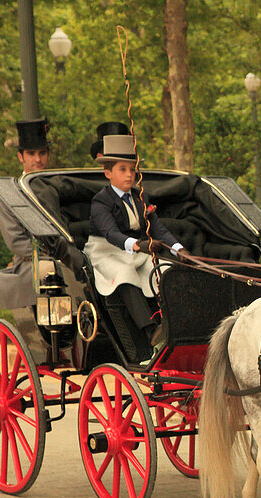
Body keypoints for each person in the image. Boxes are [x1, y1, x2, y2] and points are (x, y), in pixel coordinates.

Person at [87, 134, 185, 353]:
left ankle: (174, 323)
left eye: (132, 169)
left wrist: (179, 250)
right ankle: (150, 331)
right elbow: (110, 233)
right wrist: (139, 245)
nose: (129, 175)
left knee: (165, 270)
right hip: (106, 250)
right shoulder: (101, 201)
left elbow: (157, 228)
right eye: (122, 169)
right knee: (124, 275)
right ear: (108, 173)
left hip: (136, 249)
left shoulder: (140, 197)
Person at [0, 119, 50, 312]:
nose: (38, 159)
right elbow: (17, 242)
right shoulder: (9, 193)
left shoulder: (59, 187)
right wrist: (56, 256)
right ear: (21, 156)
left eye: (42, 153)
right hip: (31, 264)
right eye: (31, 154)